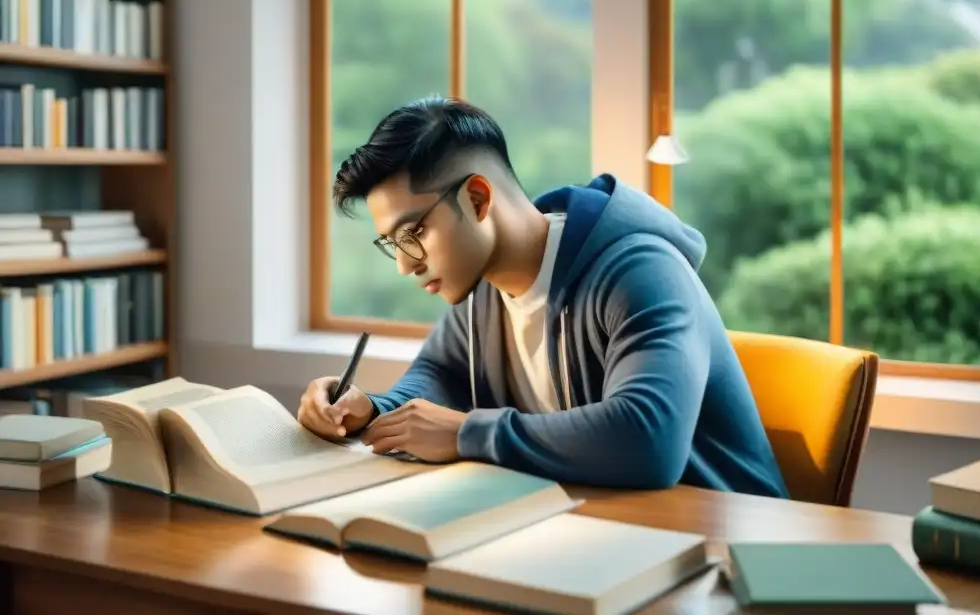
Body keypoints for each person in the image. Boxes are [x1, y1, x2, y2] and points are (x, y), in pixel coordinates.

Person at [297, 94, 789, 496]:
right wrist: (372, 410)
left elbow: (649, 441)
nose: (405, 263)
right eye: (393, 245)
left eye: (416, 233)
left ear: (477, 199)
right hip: (602, 535)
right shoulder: (481, 288)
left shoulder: (641, 271)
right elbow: (441, 376)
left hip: (724, 552)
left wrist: (467, 433)